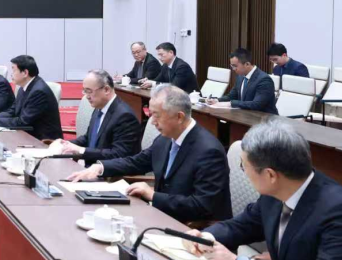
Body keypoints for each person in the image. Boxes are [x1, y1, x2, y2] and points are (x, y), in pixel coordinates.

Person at [183, 119, 342, 260]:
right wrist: (206, 237)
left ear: (270, 175)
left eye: (244, 167)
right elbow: (243, 225)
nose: (244, 172)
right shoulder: (276, 192)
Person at [67, 84, 231, 225]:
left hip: (192, 228)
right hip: (162, 216)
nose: (152, 122)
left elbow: (202, 205)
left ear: (179, 117)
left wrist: (153, 195)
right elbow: (138, 162)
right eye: (151, 114)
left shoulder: (209, 151)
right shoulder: (166, 138)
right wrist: (100, 167)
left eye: (156, 115)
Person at [58, 69, 141, 163]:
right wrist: (65, 144)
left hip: (107, 171)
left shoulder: (125, 116)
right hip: (91, 165)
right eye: (85, 91)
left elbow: (118, 155)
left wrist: (81, 150)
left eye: (89, 91)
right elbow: (88, 138)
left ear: (106, 90)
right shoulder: (99, 107)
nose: (87, 96)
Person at [0, 55, 62, 140]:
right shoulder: (23, 87)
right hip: (28, 134)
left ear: (25, 73)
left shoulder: (38, 92)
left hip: (44, 140)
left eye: (14, 70)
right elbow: (13, 110)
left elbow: (23, 122)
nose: (11, 74)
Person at [209, 48, 278, 114]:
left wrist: (231, 103)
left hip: (265, 119)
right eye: (232, 66)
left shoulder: (264, 80)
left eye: (235, 66)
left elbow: (256, 104)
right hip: (245, 115)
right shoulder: (240, 76)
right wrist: (217, 100)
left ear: (247, 64)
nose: (233, 69)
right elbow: (232, 96)